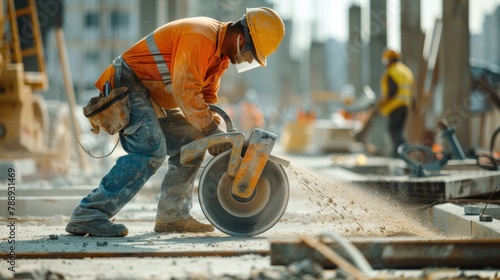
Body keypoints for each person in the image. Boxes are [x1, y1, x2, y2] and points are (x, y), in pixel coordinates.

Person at [66, 7, 285, 237]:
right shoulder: (201, 36)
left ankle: (173, 215)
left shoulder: (219, 56)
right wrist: (214, 131)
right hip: (128, 82)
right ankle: (90, 213)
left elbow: (206, 98)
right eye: (250, 55)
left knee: (193, 139)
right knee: (150, 149)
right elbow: (185, 91)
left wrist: (214, 134)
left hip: (148, 93)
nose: (246, 60)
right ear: (241, 38)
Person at [377, 48, 414, 158]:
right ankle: (397, 153)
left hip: (395, 106)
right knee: (398, 130)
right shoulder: (406, 71)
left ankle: (404, 151)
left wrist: (381, 104)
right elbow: (412, 90)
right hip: (405, 105)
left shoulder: (392, 72)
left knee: (394, 130)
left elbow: (392, 92)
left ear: (389, 60)